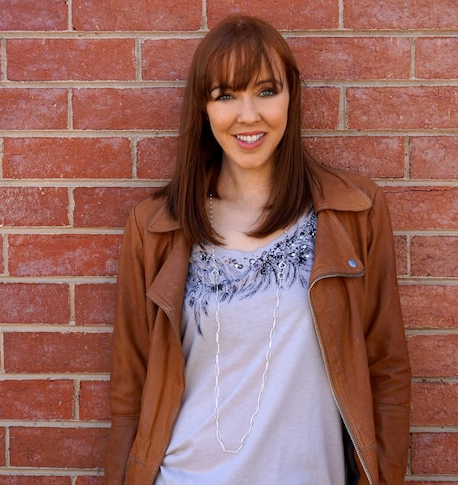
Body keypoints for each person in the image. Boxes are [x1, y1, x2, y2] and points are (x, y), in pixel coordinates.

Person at [106, 15, 410, 485]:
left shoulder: (355, 212)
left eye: (266, 91)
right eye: (226, 95)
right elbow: (131, 390)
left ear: (291, 96)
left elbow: (386, 369)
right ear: (203, 109)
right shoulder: (155, 228)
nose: (248, 115)